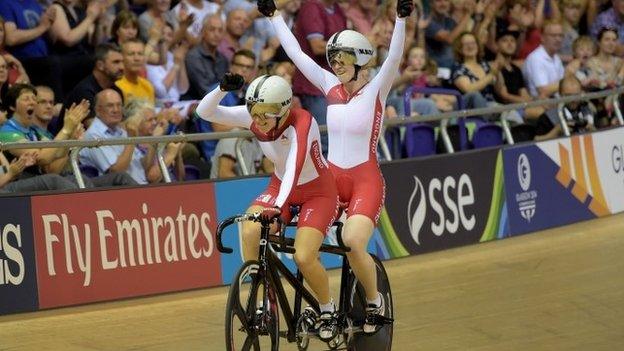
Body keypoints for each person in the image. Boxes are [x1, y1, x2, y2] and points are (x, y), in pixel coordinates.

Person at [260, 0, 412, 333]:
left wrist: (400, 20)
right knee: (303, 243)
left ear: (360, 61)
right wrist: (274, 17)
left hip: (364, 181)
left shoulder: (376, 89)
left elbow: (396, 57)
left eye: (341, 60)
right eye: (333, 61)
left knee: (353, 241)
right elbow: (298, 55)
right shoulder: (330, 88)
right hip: (330, 181)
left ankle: (374, 300)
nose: (336, 66)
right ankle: (326, 309)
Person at [196, 73, 340, 339]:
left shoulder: (302, 122)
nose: (259, 120)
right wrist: (221, 89)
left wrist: (278, 208)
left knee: (304, 256)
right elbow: (205, 112)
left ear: (284, 109)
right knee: (250, 230)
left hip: (317, 192)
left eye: (266, 114)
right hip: (280, 184)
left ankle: (327, 308)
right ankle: (265, 301)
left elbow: (295, 168)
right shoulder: (257, 115)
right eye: (255, 112)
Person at [32, 85, 137, 187]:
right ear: (98, 110)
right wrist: (67, 131)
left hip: (66, 178)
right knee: (117, 178)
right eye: (42, 102)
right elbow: (51, 169)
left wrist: (71, 140)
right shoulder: (93, 134)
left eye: (51, 102)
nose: (49, 106)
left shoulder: (49, 134)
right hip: (42, 181)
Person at [80, 89, 148, 184]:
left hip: (141, 186)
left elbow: (142, 165)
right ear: (98, 110)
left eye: (119, 105)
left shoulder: (120, 131)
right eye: (110, 106)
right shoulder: (94, 135)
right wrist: (131, 140)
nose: (116, 110)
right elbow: (116, 172)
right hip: (117, 193)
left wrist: (154, 141)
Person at [185, 14, 229, 99]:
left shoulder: (223, 59)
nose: (216, 34)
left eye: (220, 31)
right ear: (203, 32)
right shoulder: (193, 57)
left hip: (219, 101)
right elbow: (205, 91)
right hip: (198, 104)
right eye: (212, 30)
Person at [115, 38, 156, 104]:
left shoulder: (148, 86)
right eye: (131, 54)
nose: (137, 58)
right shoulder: (116, 87)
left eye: (140, 54)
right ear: (122, 57)